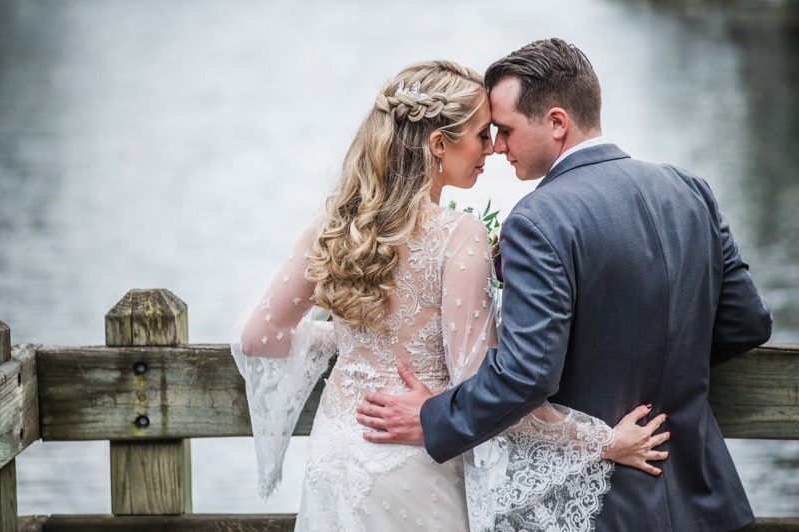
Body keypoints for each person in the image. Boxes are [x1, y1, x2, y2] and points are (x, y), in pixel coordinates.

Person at [357, 39, 774, 531]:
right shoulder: (689, 189)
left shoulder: (539, 220)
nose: (497, 146)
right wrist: (661, 365)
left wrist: (433, 417)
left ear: (557, 123)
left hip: (605, 506)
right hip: (706, 499)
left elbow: (527, 373)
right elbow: (748, 322)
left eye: (506, 131)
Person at [232, 60, 667, 532]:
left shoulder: (335, 227)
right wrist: (603, 441)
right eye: (482, 135)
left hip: (334, 459)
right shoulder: (458, 235)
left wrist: (342, 342)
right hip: (412, 468)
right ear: (439, 144)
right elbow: (484, 387)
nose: (493, 149)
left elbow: (258, 338)